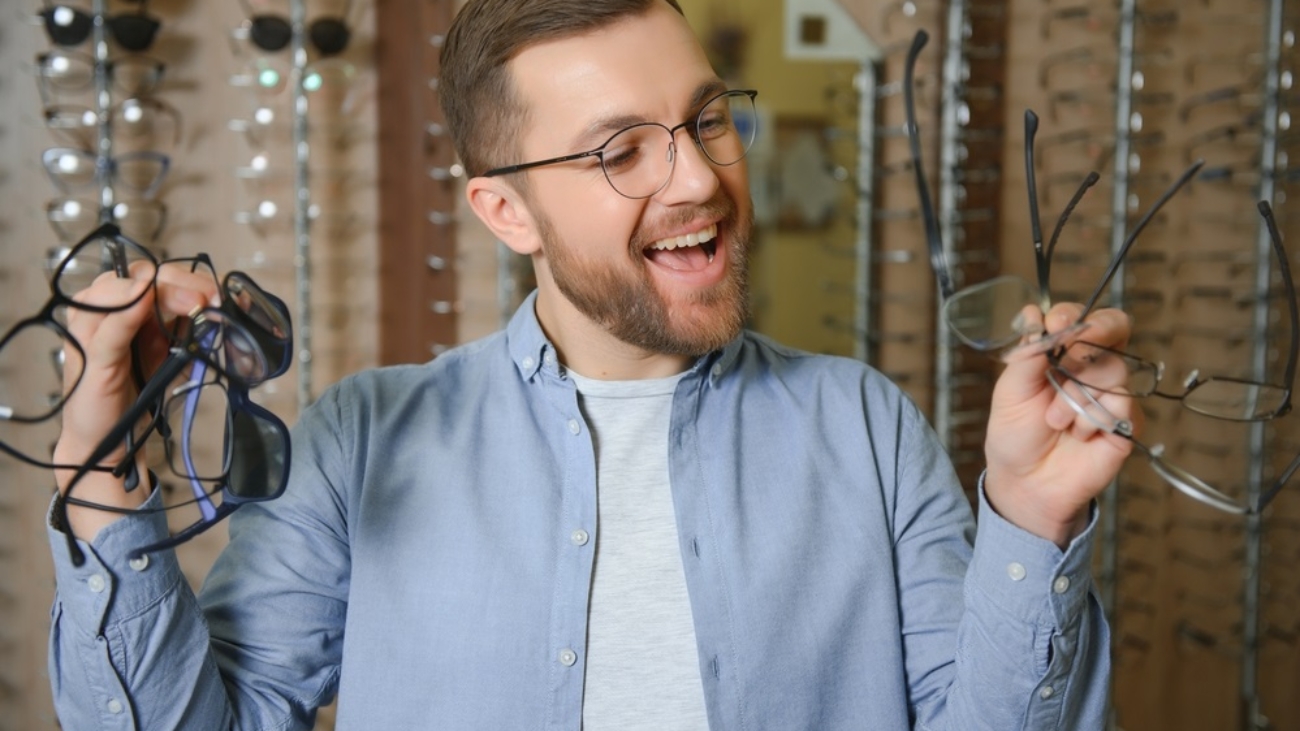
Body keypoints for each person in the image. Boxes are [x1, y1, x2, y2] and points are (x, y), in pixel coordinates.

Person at [44, 0, 1137, 728]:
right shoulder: (360, 440)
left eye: (705, 120)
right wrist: (97, 482)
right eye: (620, 150)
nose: (698, 181)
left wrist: (1029, 520)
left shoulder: (863, 422)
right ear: (504, 208)